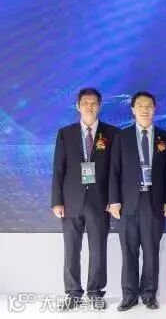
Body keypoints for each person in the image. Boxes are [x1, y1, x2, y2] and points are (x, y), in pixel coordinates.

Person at [51, 88, 118, 311]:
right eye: (85, 103)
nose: (89, 106)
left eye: (93, 103)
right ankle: (73, 293)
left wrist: (113, 199)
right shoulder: (65, 133)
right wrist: (57, 201)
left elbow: (114, 171)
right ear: (78, 106)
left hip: (100, 201)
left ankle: (95, 292)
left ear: (99, 106)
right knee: (71, 248)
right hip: (71, 200)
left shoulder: (112, 133)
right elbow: (58, 169)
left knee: (98, 248)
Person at [108, 91, 166, 311]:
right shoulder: (122, 137)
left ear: (155, 109)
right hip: (127, 203)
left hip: (154, 201)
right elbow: (114, 171)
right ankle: (129, 295)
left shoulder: (165, 137)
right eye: (141, 106)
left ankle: (149, 294)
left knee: (151, 250)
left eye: (149, 106)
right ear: (133, 109)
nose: (145, 109)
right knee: (129, 250)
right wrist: (114, 200)